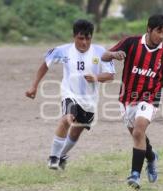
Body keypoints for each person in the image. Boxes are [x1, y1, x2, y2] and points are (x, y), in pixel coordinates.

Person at [102, 14, 163, 189]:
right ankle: (151, 156)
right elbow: (104, 56)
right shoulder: (131, 43)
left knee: (138, 132)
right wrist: (114, 54)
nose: (161, 36)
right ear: (149, 29)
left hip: (150, 97)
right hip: (127, 98)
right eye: (158, 32)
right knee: (137, 135)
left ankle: (135, 175)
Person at [25, 19, 115, 170]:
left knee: (75, 133)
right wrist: (34, 86)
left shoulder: (101, 52)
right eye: (81, 38)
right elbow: (45, 65)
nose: (84, 42)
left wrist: (96, 77)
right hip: (70, 93)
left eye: (88, 38)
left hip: (90, 101)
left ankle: (61, 156)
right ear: (74, 36)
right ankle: (53, 158)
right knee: (67, 119)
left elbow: (111, 75)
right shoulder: (63, 50)